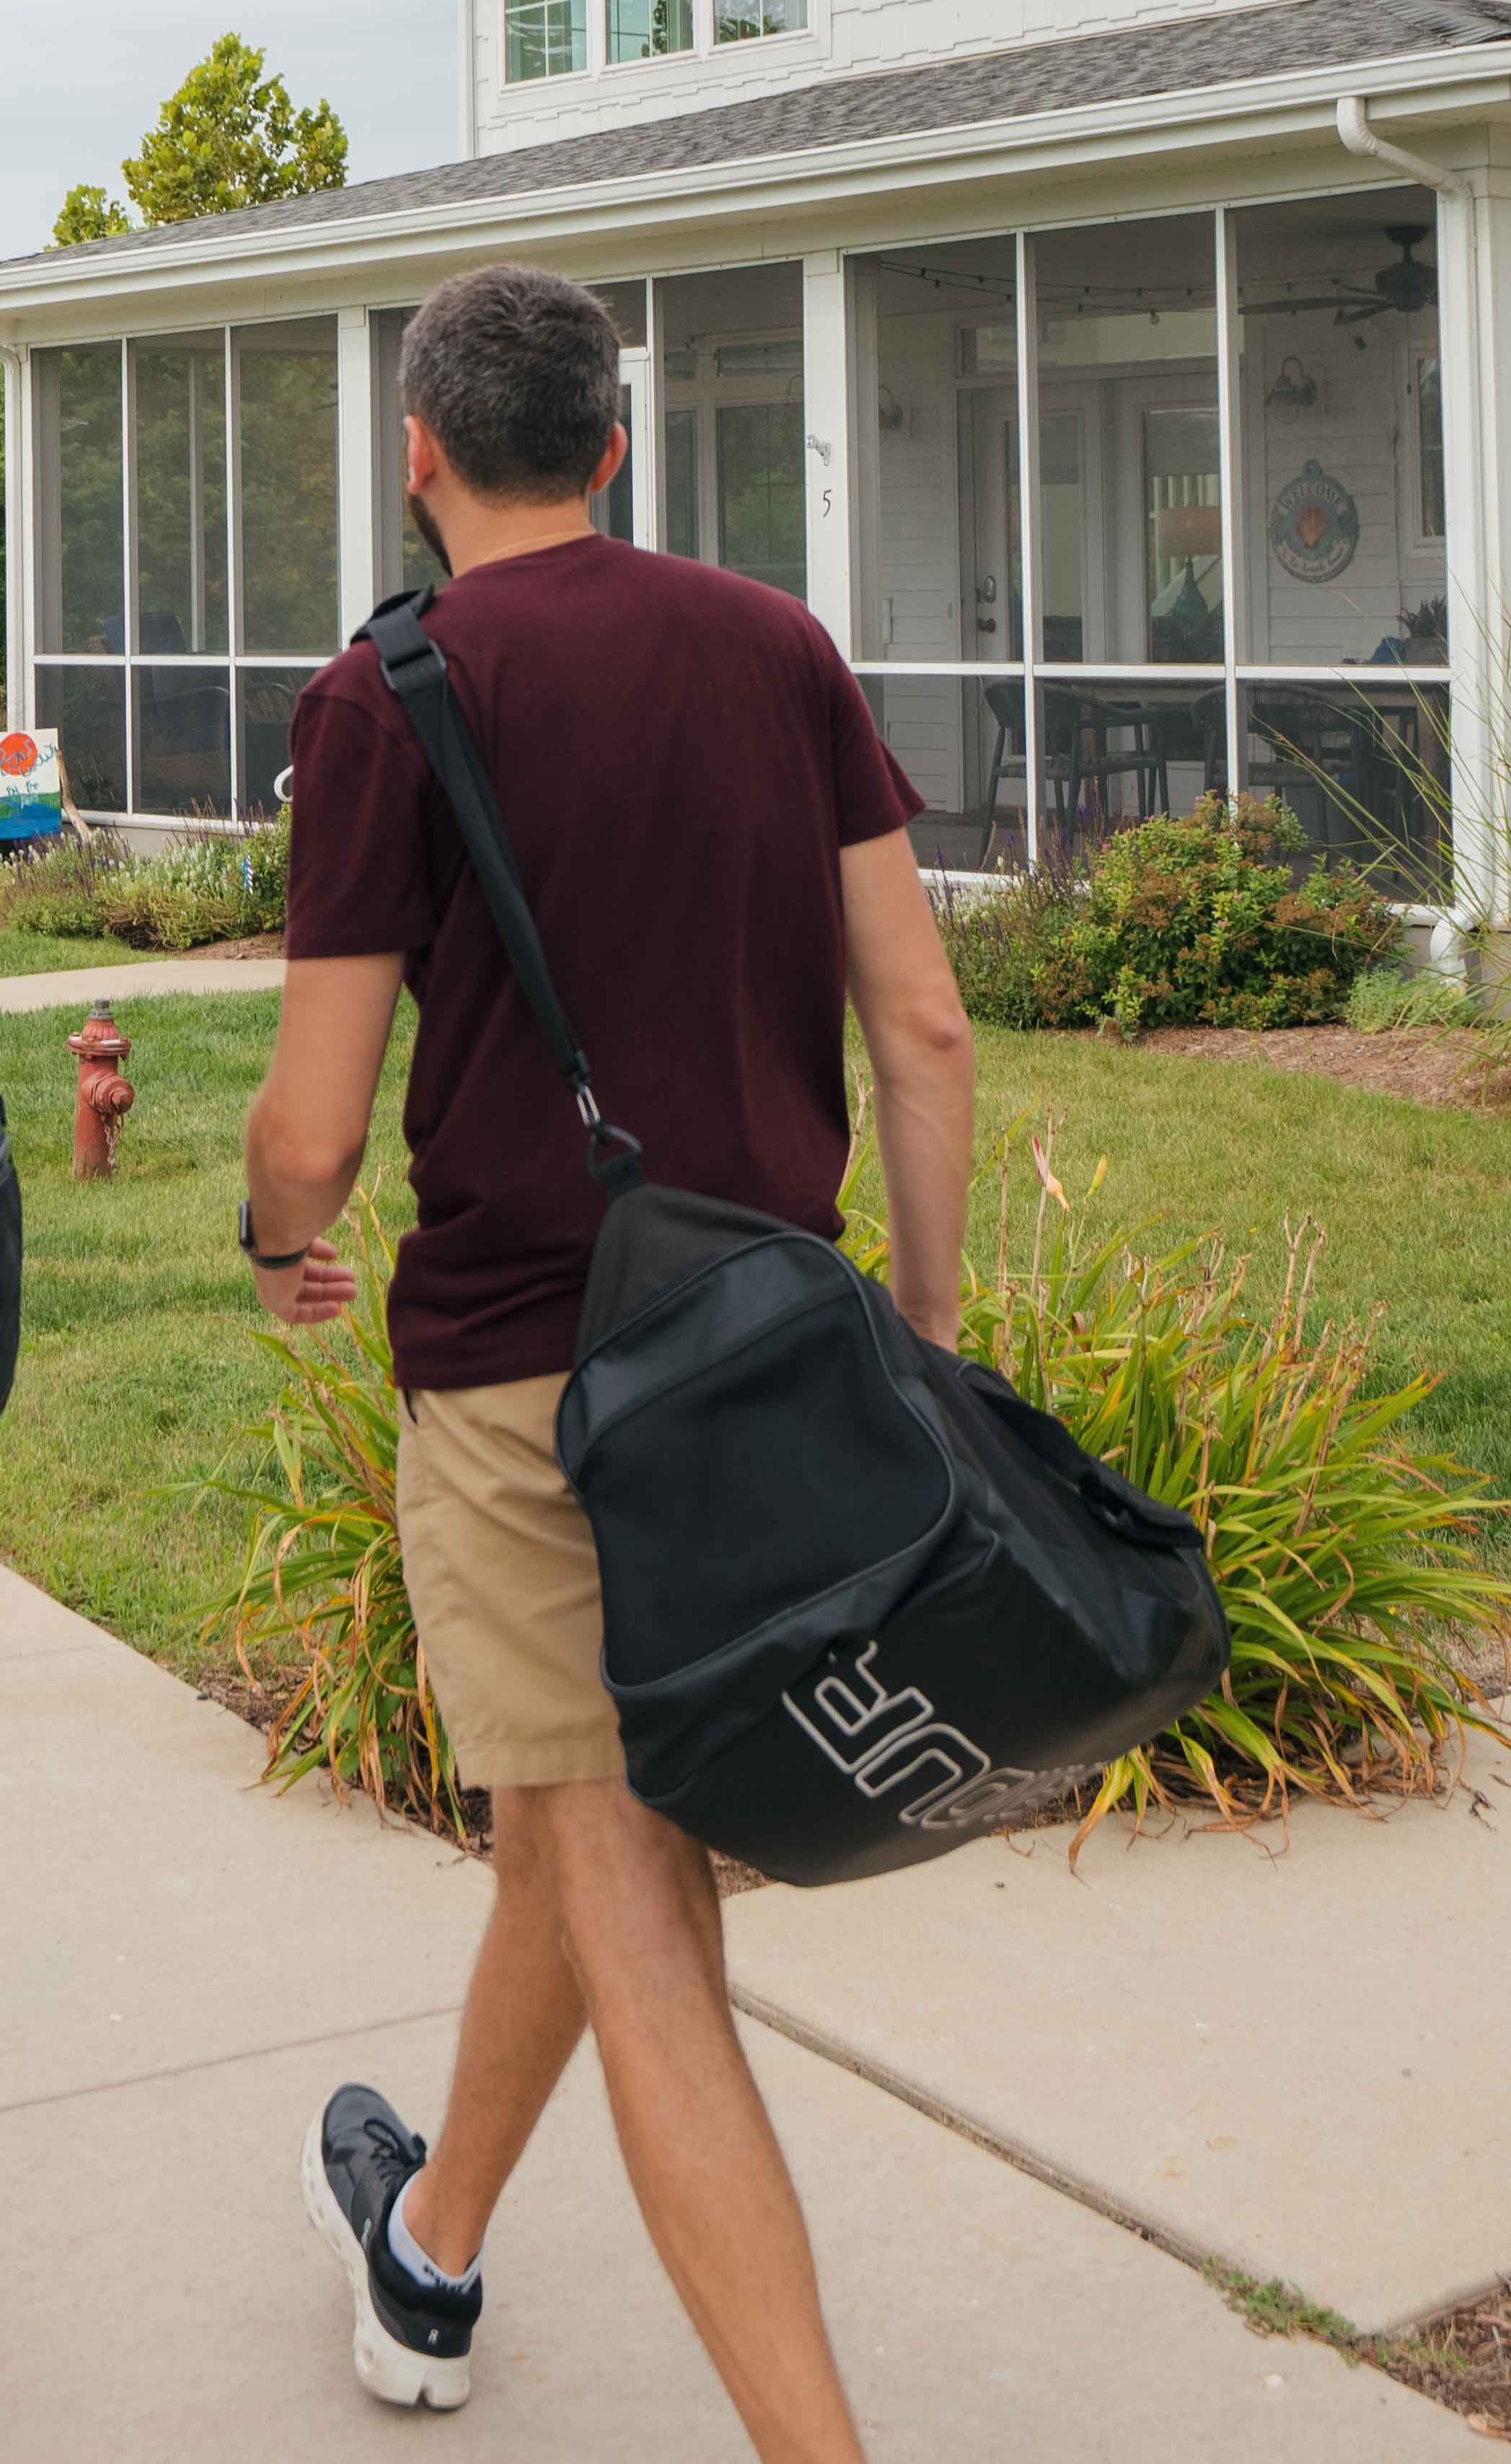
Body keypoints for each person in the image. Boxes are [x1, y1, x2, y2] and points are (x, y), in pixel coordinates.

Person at [239, 262, 980, 2460]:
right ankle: (428, 2250)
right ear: (620, 443)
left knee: (633, 1906)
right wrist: (921, 1338)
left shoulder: (392, 695)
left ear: (422, 450)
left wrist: (281, 1238)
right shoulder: (778, 647)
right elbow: (922, 1024)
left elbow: (313, 1113)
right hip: (766, 1364)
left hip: (523, 1386)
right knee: (576, 1845)